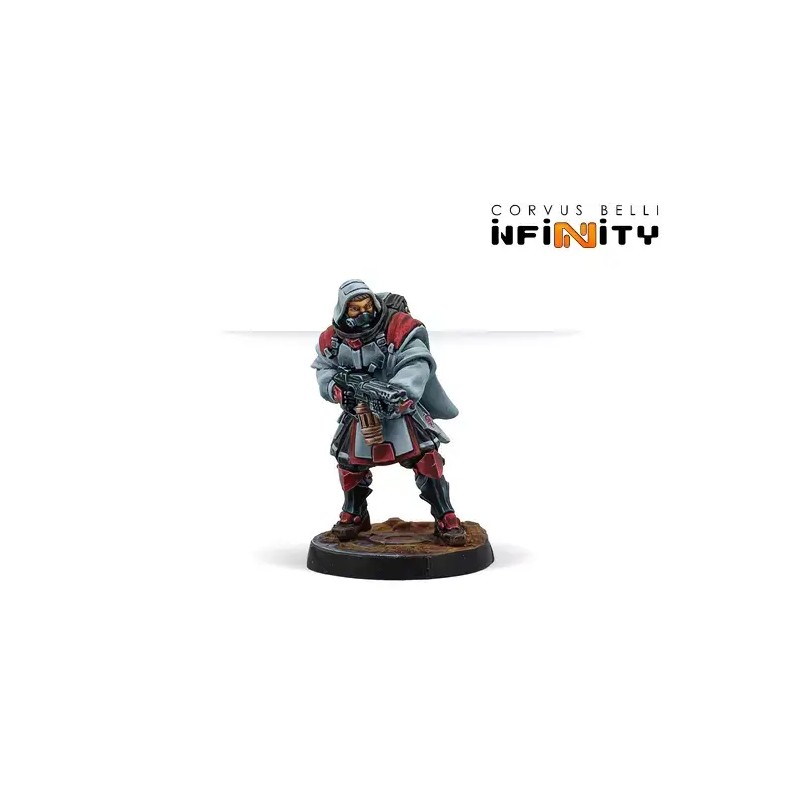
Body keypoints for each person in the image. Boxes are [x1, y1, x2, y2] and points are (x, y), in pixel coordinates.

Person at [312, 279, 466, 546]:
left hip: (398, 409)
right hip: (359, 413)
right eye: (355, 309)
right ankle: (355, 513)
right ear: (343, 310)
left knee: (427, 460)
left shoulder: (398, 328)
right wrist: (337, 390)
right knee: (349, 464)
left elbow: (417, 360)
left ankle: (445, 515)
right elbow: (324, 368)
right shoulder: (332, 339)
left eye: (367, 306)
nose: (363, 313)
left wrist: (401, 390)